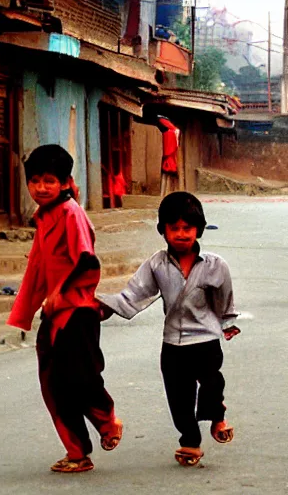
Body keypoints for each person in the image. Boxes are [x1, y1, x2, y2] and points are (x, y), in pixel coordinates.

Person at [99, 191, 241, 466]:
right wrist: (102, 307)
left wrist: (227, 323)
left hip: (206, 339)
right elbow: (134, 294)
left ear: (198, 230)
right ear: (163, 231)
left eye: (187, 228)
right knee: (179, 399)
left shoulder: (215, 265)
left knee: (212, 383)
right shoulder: (156, 264)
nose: (181, 234)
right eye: (173, 228)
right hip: (173, 344)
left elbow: (225, 299)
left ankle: (216, 417)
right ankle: (190, 442)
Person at [7, 144, 122, 473]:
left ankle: (107, 420)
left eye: (49, 181)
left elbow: (87, 260)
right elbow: (39, 266)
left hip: (78, 311)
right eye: (35, 181)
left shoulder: (72, 213)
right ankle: (76, 452)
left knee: (79, 378)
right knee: (52, 383)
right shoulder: (44, 217)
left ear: (65, 182)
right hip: (53, 314)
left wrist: (58, 291)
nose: (41, 187)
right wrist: (31, 308)